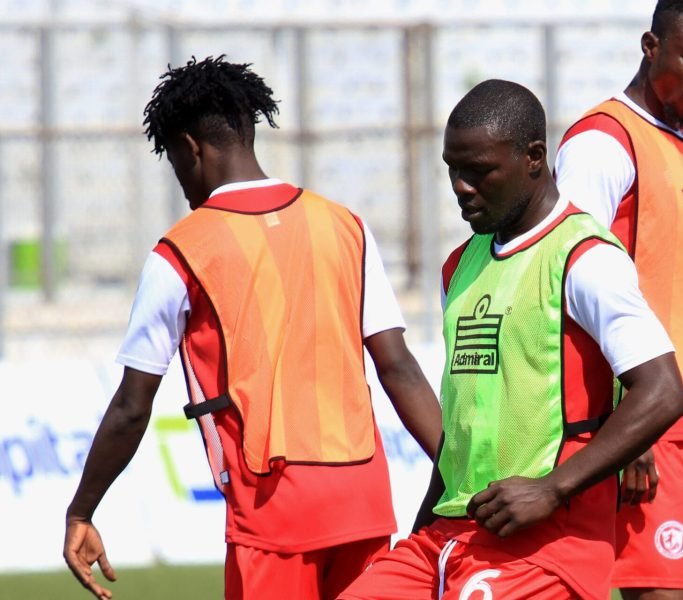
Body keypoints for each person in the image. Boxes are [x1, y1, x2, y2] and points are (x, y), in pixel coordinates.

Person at [63, 56, 443, 600]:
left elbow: (131, 405)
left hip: (272, 514)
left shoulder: (180, 251)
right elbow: (398, 366)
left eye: (174, 161)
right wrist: (456, 464)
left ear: (191, 148)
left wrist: (82, 510)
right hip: (363, 502)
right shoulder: (346, 225)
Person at [339, 79, 683, 600]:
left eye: (479, 171)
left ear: (533, 157)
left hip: (546, 546)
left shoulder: (585, 258)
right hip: (448, 537)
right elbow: (463, 431)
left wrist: (552, 489)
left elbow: (663, 389)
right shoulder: (460, 265)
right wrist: (420, 536)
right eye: (453, 170)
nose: (461, 186)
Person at [554, 1, 683, 597]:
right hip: (649, 415)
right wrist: (621, 426)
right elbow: (567, 283)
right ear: (650, 45)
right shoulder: (602, 144)